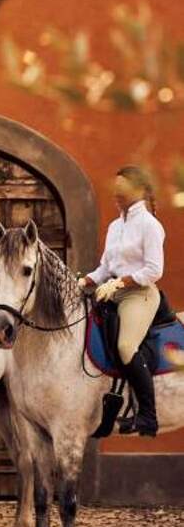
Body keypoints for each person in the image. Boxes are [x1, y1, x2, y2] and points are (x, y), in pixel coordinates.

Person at [80, 165, 165, 436]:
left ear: (138, 190)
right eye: (115, 187)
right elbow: (105, 267)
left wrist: (121, 282)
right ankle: (111, 407)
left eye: (121, 187)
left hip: (139, 295)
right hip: (110, 292)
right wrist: (85, 281)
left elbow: (154, 270)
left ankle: (148, 416)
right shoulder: (115, 226)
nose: (116, 192)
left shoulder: (149, 225)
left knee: (126, 346)